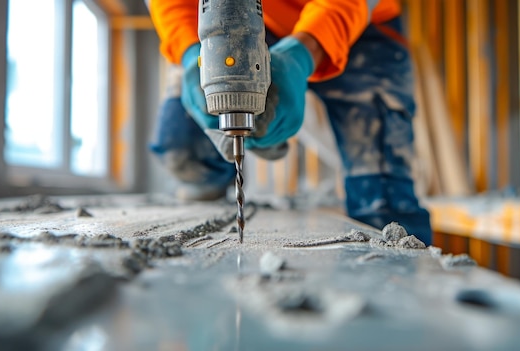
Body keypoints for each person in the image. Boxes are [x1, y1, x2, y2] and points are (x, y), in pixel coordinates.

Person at [148, 0, 432, 245]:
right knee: (183, 149)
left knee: (383, 193)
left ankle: (394, 289)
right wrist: (189, 52)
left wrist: (304, 52)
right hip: (240, 21)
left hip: (358, 21)